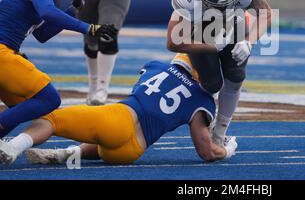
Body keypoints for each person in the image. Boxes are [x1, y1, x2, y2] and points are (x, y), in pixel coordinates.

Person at [0, 54, 237, 165]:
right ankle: (66, 154)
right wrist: (226, 150)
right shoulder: (203, 102)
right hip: (130, 152)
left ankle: (13, 147)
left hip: (121, 120)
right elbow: (206, 152)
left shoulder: (155, 67)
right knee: (103, 137)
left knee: (51, 118)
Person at [0, 0, 117, 139]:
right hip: (2, 51)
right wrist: (89, 28)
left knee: (23, 104)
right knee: (48, 99)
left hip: (6, 51)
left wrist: (73, 9)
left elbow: (42, 34)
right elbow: (47, 12)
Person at [167, 0, 272, 146]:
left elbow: (266, 13)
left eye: (226, 3)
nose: (222, 9)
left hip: (235, 22)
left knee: (236, 75)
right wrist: (212, 47)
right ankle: (188, 61)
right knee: (212, 84)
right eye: (217, 5)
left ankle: (219, 134)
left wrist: (249, 41)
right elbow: (173, 41)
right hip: (199, 28)